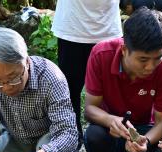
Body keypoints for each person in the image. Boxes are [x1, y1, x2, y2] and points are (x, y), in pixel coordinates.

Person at [84, 7, 162, 152]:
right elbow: (90, 109)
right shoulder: (101, 55)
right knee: (94, 135)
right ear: (124, 49)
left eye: (157, 58)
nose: (150, 67)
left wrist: (145, 141)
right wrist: (111, 120)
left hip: (144, 126)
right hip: (110, 127)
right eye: (143, 59)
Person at [52, 0, 122, 142]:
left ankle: (109, 139)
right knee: (69, 90)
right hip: (71, 28)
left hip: (107, 30)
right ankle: (71, 138)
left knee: (111, 92)